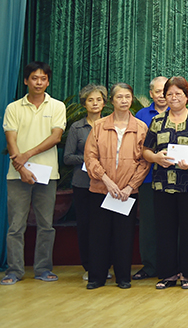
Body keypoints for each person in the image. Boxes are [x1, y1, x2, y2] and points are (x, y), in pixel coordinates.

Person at [143, 76, 188, 290]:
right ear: (164, 97)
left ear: (187, 96)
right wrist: (156, 158)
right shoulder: (157, 122)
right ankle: (168, 274)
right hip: (163, 184)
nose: (174, 98)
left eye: (178, 94)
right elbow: (146, 150)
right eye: (169, 94)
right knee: (165, 230)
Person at [2, 62, 66, 285]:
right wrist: (21, 168)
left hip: (47, 174)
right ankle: (14, 270)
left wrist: (25, 156)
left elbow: (55, 137)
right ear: (26, 81)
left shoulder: (57, 106)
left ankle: (43, 268)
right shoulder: (13, 108)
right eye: (34, 78)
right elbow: (11, 139)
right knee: (16, 226)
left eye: (43, 79)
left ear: (48, 81)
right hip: (17, 175)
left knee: (45, 225)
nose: (38, 82)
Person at [83, 83, 150, 289]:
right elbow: (90, 157)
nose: (123, 101)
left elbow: (144, 161)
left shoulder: (140, 127)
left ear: (132, 100)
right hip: (102, 189)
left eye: (127, 97)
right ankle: (97, 277)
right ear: (111, 101)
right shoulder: (99, 126)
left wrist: (130, 186)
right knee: (99, 235)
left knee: (124, 235)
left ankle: (123, 277)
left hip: (126, 193)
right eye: (119, 97)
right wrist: (106, 180)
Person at [63, 84, 107, 280]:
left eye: (98, 99)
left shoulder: (110, 125)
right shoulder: (77, 127)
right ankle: (90, 267)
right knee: (86, 225)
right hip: (82, 184)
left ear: (105, 103)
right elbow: (67, 157)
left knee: (105, 226)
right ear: (84, 104)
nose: (95, 103)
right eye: (90, 100)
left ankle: (105, 266)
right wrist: (90, 160)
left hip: (107, 184)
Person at [132, 75, 168, 281]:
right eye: (157, 91)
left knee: (174, 223)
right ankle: (150, 266)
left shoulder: (180, 113)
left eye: (166, 91)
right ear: (151, 93)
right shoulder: (141, 115)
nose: (162, 95)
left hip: (175, 178)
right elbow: (137, 145)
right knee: (148, 224)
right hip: (148, 177)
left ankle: (173, 265)